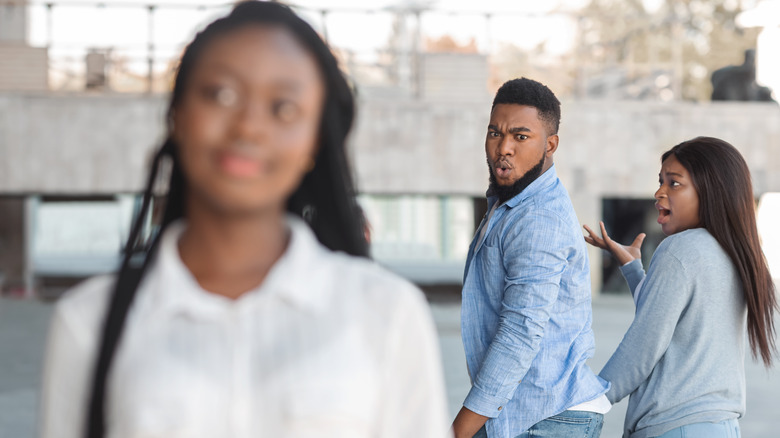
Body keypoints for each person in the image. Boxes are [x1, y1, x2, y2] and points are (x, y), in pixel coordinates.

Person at [40, 2, 449, 438]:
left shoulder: (387, 313)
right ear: (177, 115)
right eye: (220, 94)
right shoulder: (88, 322)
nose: (248, 127)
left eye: (283, 107)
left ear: (314, 140)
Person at [584, 136, 777, 438]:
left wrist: (592, 398)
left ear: (711, 190)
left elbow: (645, 343)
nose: (659, 192)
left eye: (674, 183)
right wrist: (633, 269)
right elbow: (667, 318)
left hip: (676, 426)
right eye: (660, 181)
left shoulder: (680, 249)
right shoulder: (735, 252)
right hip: (721, 427)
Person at [452, 77, 610, 438]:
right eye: (495, 133)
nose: (503, 148)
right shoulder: (511, 203)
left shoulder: (539, 217)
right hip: (527, 413)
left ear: (550, 145)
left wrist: (458, 431)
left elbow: (520, 332)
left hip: (549, 419)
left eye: (520, 137)